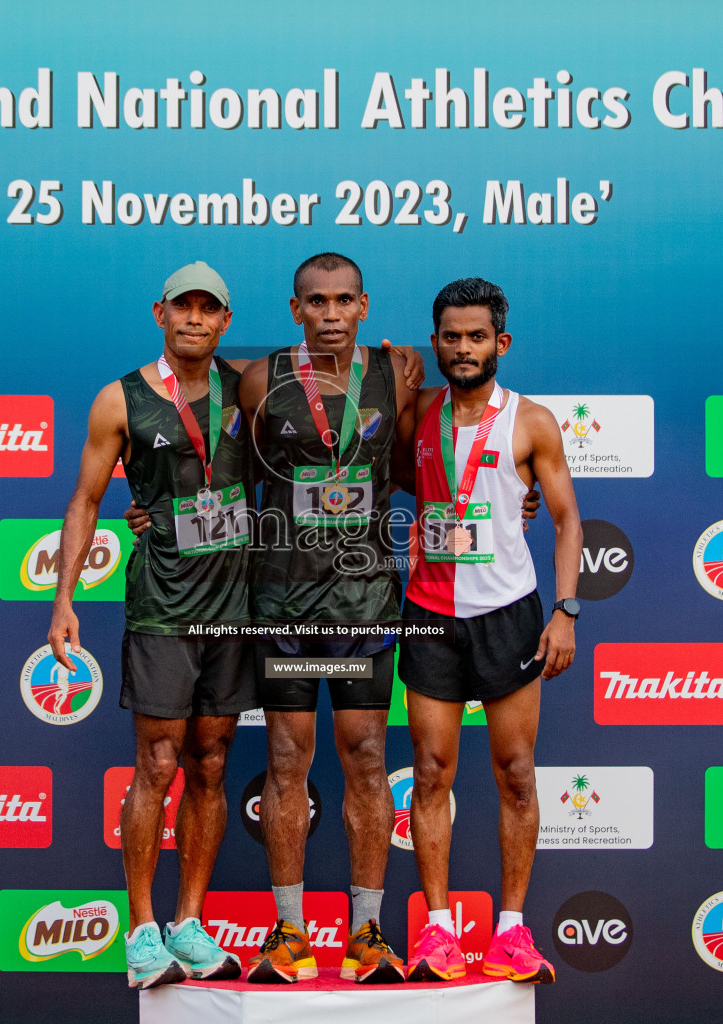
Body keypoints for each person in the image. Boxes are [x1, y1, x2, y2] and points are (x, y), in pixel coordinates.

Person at [47, 261, 253, 989]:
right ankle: (140, 931)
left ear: (226, 321)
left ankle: (190, 925)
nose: (195, 318)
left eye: (210, 309)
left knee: (213, 764)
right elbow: (84, 501)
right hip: (163, 605)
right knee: (157, 765)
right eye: (183, 306)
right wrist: (63, 599)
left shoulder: (249, 389)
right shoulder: (121, 398)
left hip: (236, 610)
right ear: (159, 313)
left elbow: (336, 428)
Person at [236, 253, 418, 984]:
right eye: (317, 302)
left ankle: (368, 932)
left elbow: (413, 467)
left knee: (368, 760)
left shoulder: (397, 373)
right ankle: (289, 931)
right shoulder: (258, 379)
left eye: (344, 300)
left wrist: (514, 495)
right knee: (286, 762)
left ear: (364, 305)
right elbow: (225, 475)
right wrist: (158, 511)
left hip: (364, 601)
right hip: (283, 601)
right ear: (295, 309)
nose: (331, 314)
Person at [399, 277, 582, 985]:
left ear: (500, 343)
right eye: (452, 336)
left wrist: (565, 611)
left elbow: (566, 521)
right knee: (433, 772)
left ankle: (511, 930)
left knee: (515, 774)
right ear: (437, 342)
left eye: (478, 336)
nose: (464, 347)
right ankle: (437, 931)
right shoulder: (417, 413)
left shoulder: (531, 421)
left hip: (508, 612)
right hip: (430, 612)